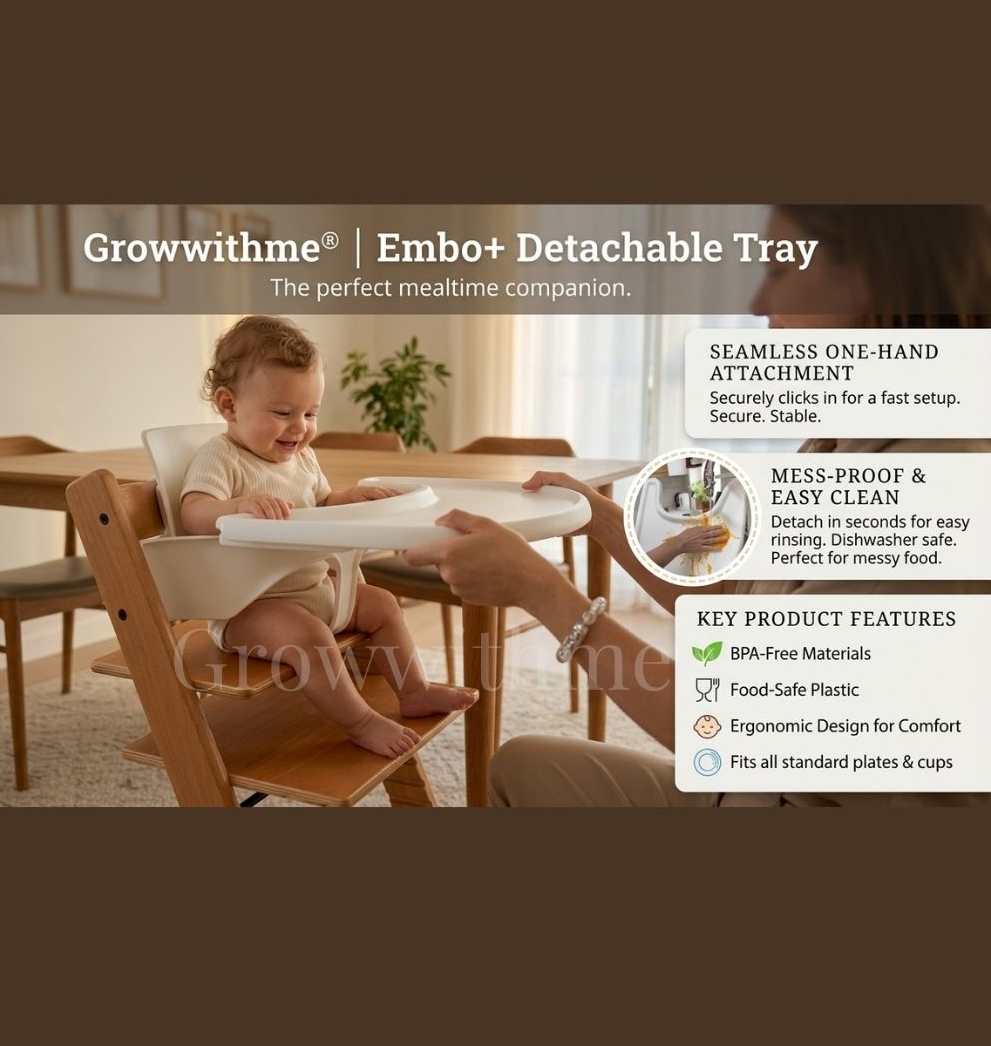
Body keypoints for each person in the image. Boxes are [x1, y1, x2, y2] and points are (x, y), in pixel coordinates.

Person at [405, 206, 991, 806]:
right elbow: (733, 596)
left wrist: (543, 592)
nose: (759, 302)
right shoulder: (846, 438)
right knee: (523, 766)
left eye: (782, 267)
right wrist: (600, 519)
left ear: (875, 277)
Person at [181, 315, 476, 758]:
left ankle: (414, 690)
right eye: (283, 413)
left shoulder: (303, 459)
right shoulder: (221, 457)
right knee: (311, 639)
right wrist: (236, 507)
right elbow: (193, 512)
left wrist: (351, 497)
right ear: (228, 405)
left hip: (318, 590)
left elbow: (322, 504)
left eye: (310, 413)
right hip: (249, 608)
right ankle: (359, 721)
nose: (299, 427)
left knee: (381, 603)